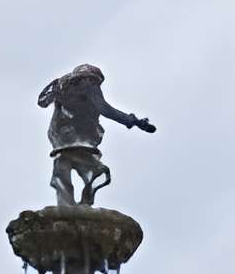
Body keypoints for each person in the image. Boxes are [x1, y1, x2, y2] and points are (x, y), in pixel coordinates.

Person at [38, 64, 155, 206]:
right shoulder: (87, 84)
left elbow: (42, 102)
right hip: (76, 137)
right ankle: (76, 202)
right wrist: (133, 121)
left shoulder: (61, 85)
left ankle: (69, 203)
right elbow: (105, 109)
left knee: (67, 166)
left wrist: (55, 86)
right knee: (94, 171)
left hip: (64, 136)